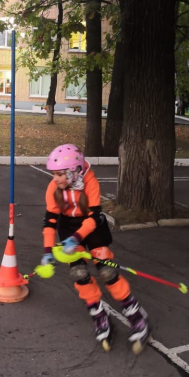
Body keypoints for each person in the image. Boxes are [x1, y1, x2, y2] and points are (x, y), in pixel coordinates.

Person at [41, 143, 151, 354]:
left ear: (73, 172)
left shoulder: (90, 182)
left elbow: (93, 218)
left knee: (107, 271)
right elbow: (50, 222)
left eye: (59, 174)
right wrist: (48, 252)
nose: (55, 179)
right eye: (53, 174)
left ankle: (136, 315)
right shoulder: (53, 188)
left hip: (92, 227)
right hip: (68, 228)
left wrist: (76, 239)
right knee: (79, 272)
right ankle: (99, 314)